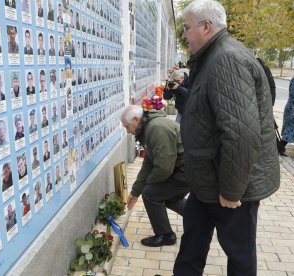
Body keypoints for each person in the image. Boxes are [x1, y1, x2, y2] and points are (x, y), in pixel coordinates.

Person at [173, 1, 280, 275]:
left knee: (239, 256)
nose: (184, 35)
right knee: (191, 247)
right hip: (206, 181)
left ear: (206, 27)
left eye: (187, 28)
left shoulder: (226, 59)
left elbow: (241, 133)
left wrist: (231, 191)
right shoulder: (212, 56)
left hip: (231, 188)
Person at [121, 105, 189, 247]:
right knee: (168, 196)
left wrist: (148, 186)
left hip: (187, 171)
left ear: (135, 120)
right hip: (184, 168)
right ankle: (199, 217)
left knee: (151, 194)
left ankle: (165, 235)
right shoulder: (149, 127)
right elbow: (149, 163)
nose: (127, 131)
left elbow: (164, 168)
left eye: (127, 127)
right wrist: (135, 192)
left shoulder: (156, 129)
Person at [280, 77, 294, 155]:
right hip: (292, 108)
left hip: (291, 107)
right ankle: (280, 147)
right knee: (289, 130)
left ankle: (280, 147)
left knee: (290, 129)